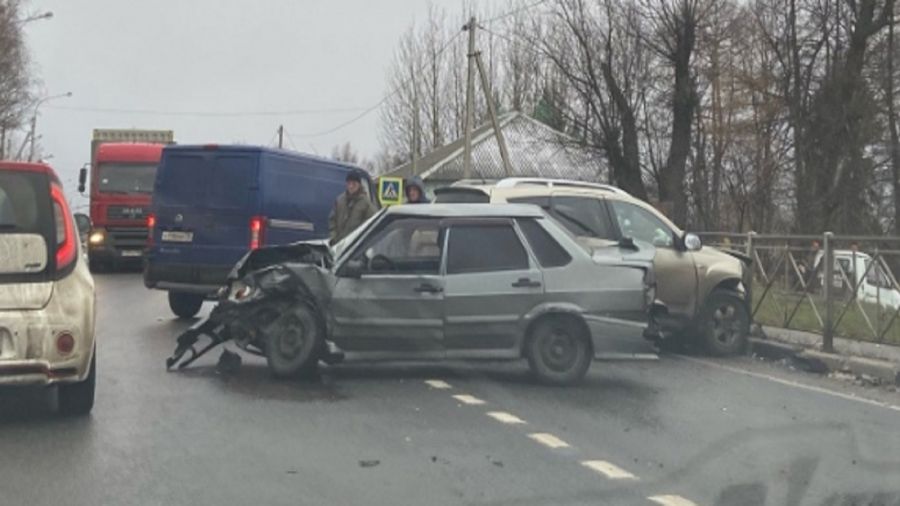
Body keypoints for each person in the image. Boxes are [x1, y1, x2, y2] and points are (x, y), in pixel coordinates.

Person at [329, 171, 377, 245]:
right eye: (349, 183)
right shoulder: (340, 200)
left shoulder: (366, 203)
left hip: (354, 247)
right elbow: (332, 220)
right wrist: (333, 237)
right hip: (338, 245)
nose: (351, 186)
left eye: (354, 184)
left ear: (359, 185)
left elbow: (373, 223)